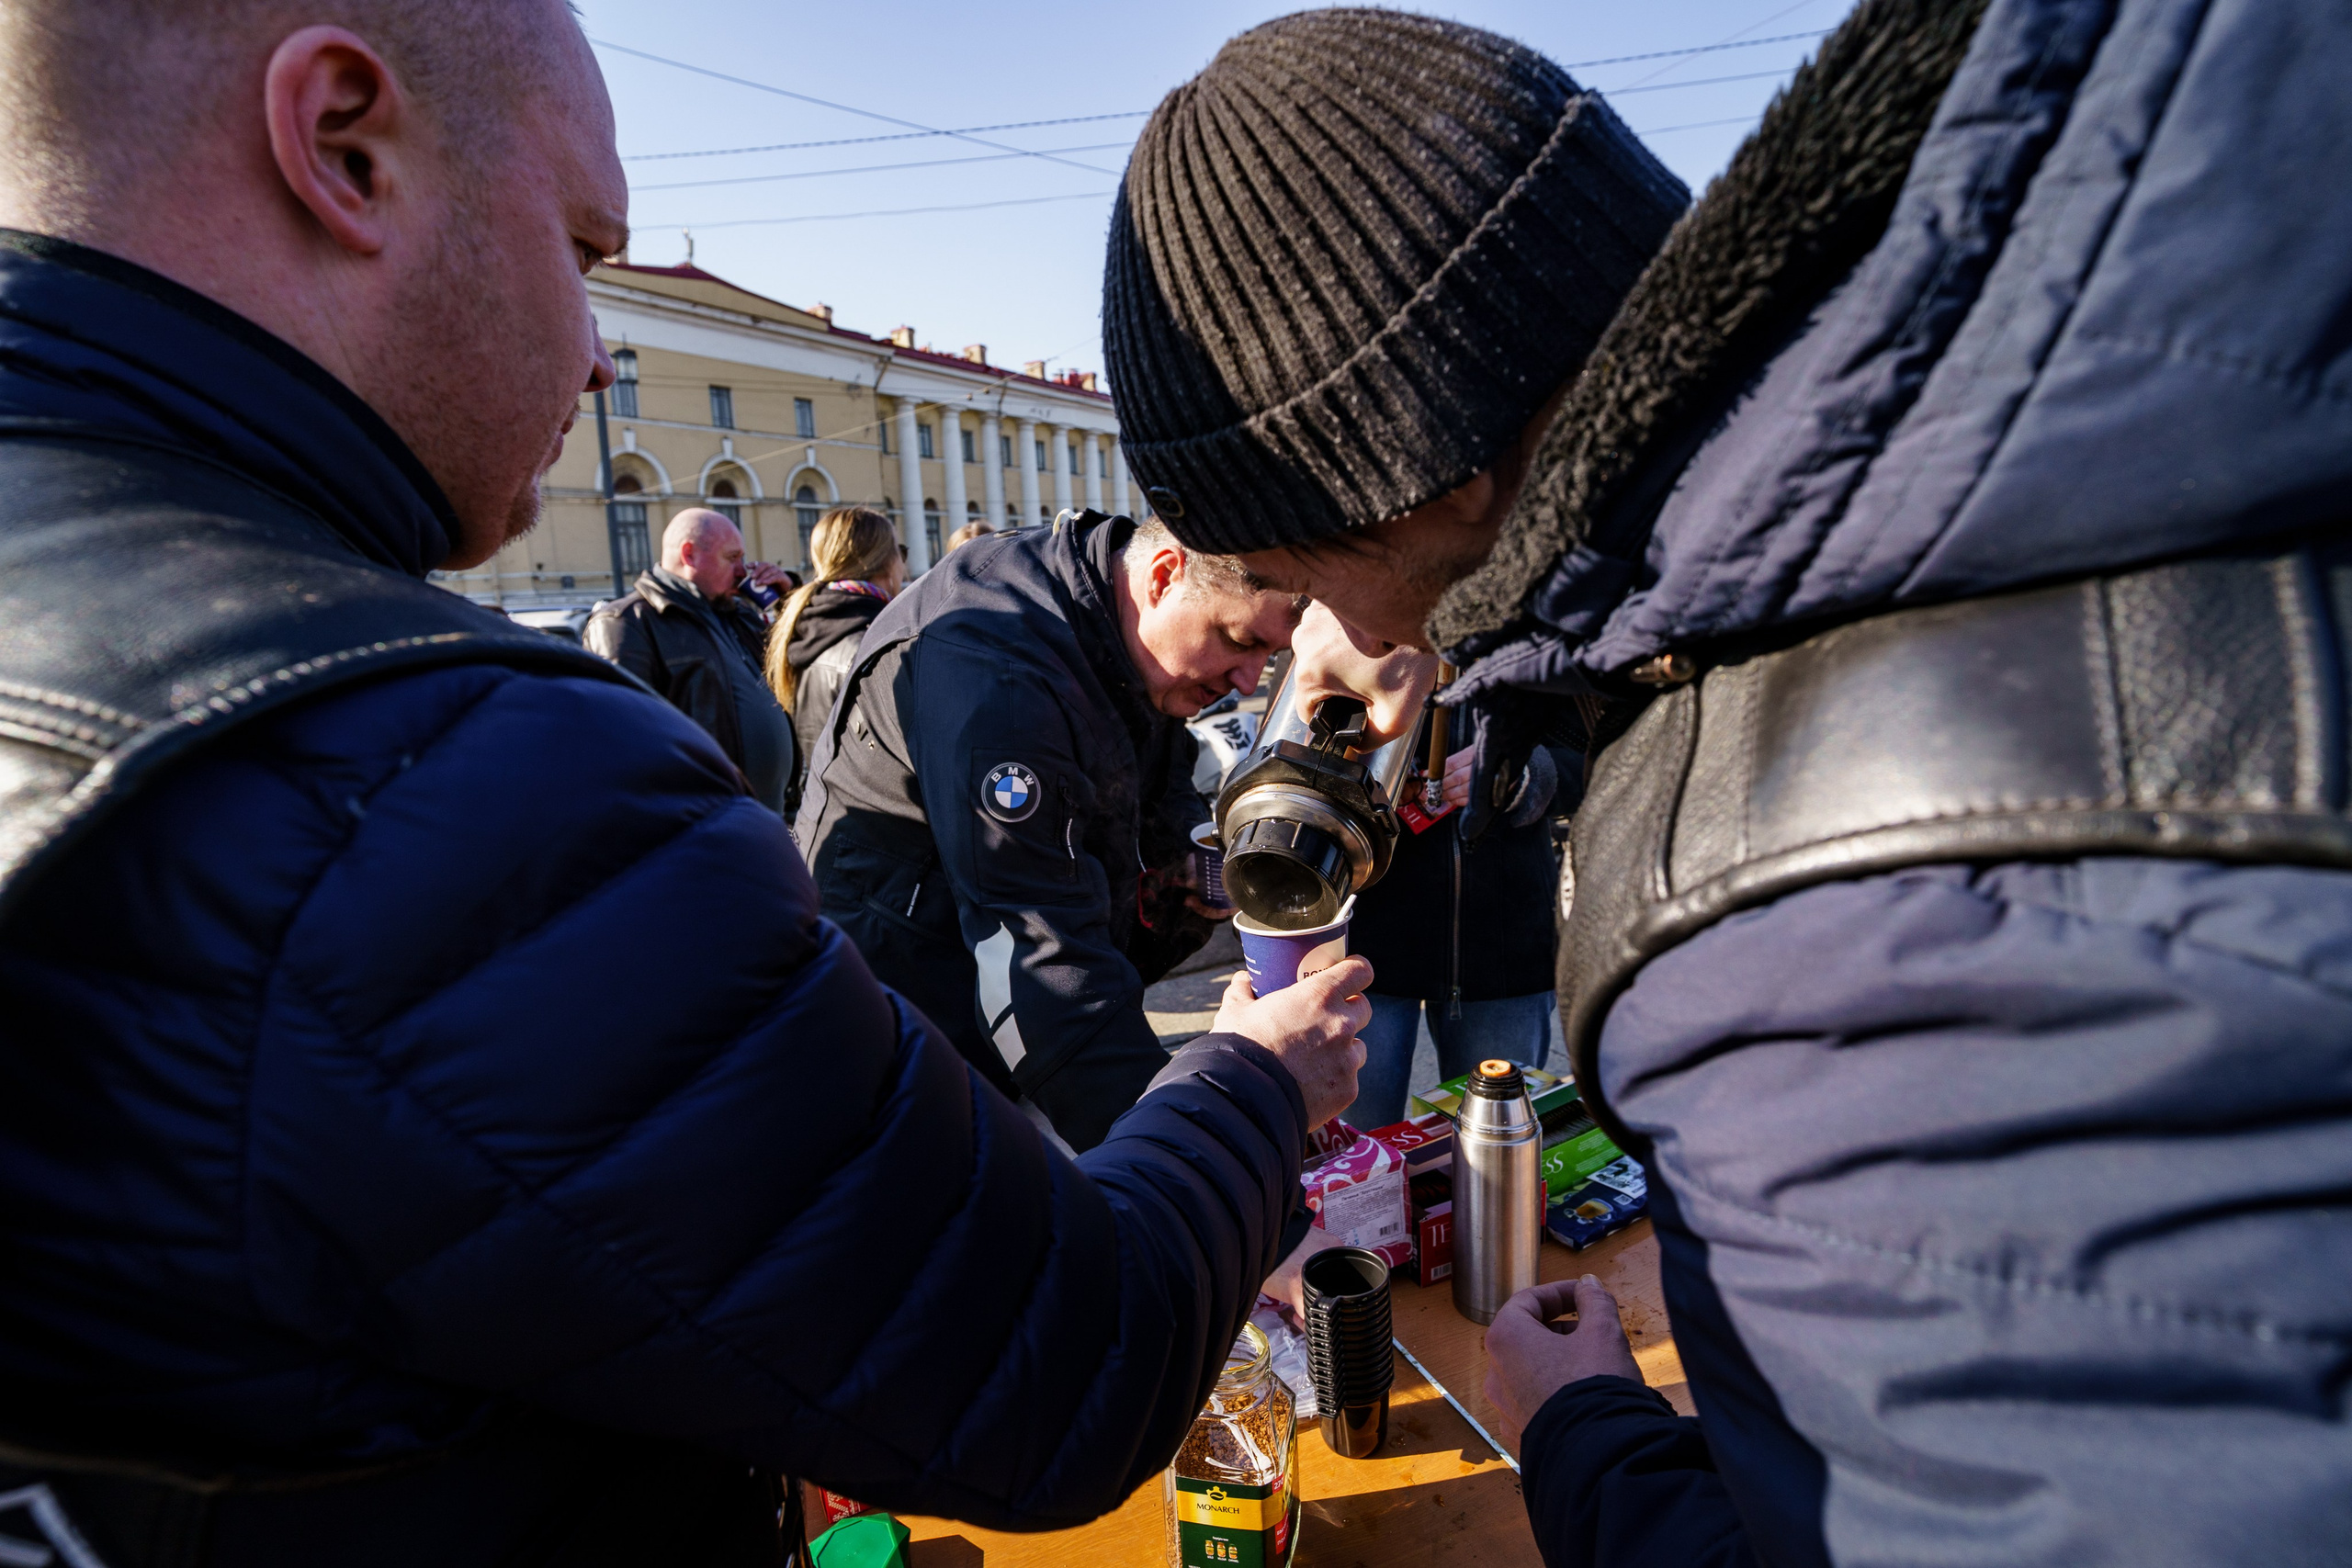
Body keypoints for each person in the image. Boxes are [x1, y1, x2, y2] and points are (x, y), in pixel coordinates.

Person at [0, 4, 1375, 1562]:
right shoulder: (450, 773)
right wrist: (1254, 1078)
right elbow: (1064, 1357)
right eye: (583, 248)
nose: (598, 353)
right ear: (343, 146)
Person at [1106, 4, 2352, 1563]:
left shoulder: (1788, 906)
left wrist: (1583, 1426)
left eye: (1308, 575)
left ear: (1428, 475)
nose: (1326, 639)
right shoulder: (2071, 362)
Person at [798, 511, 1306, 1153]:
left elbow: (1162, 763)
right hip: (901, 1024)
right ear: (1163, 576)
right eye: (1239, 640)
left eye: (1270, 654)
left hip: (986, 1008)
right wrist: (1199, 1164)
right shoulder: (998, 680)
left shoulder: (1114, 618)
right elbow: (1039, 960)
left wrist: (1181, 848)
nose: (1248, 681)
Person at [586, 506, 797, 813]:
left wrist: (786, 601)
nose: (743, 571)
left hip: (768, 817)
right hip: (706, 821)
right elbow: (622, 745)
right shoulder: (626, 623)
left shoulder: (737, 614)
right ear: (689, 555)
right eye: (732, 558)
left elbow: (803, 660)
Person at [764, 503, 902, 812]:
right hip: (871, 821)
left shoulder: (802, 626)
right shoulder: (878, 644)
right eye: (899, 552)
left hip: (819, 813)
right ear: (885, 562)